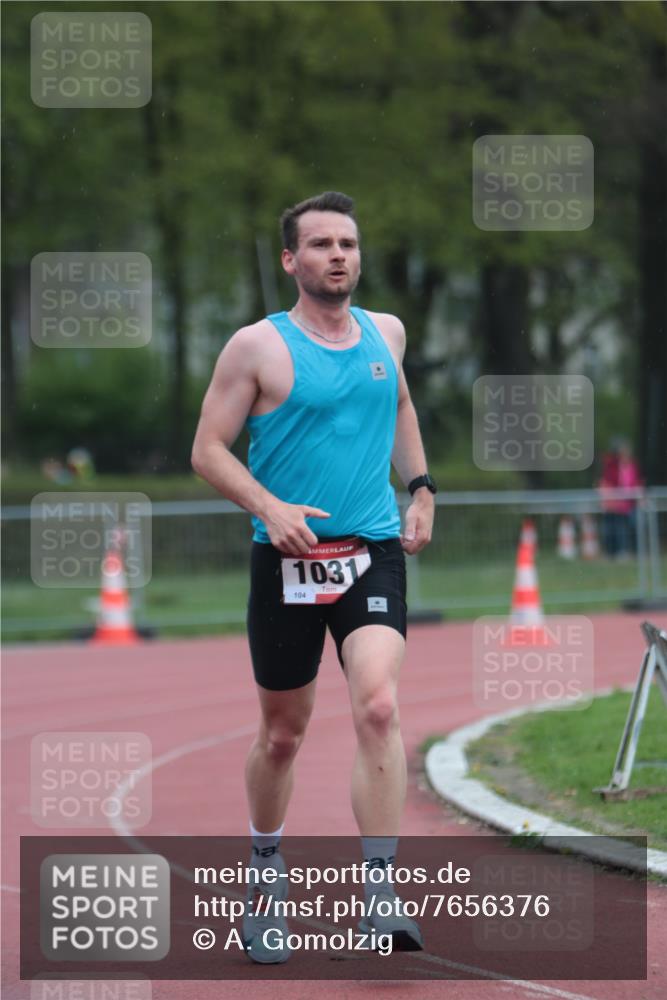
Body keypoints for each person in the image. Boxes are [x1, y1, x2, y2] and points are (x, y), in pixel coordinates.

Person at [191, 191, 435, 962]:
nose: (340, 256)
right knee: (282, 734)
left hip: (371, 549)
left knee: (378, 705)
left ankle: (380, 894)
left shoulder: (385, 332)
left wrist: (421, 487)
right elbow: (207, 450)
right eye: (322, 244)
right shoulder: (254, 348)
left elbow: (396, 399)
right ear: (291, 260)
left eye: (349, 244)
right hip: (287, 561)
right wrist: (269, 506)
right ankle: (265, 877)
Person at [598, 438, 642, 559]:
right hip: (613, 503)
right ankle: (611, 552)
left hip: (627, 503)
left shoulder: (632, 465)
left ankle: (623, 550)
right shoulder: (612, 466)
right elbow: (607, 483)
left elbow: (635, 482)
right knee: (611, 528)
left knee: (623, 527)